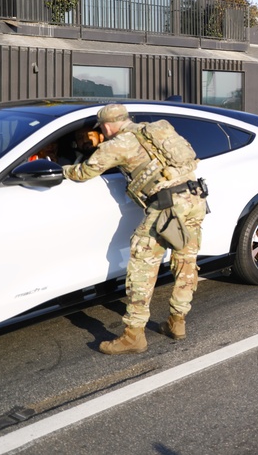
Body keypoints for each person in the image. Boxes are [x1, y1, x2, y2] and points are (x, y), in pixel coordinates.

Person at [63, 104, 207, 354]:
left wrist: (60, 169)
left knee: (142, 267)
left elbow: (84, 172)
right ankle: (177, 322)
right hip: (195, 198)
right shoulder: (155, 131)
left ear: (107, 126)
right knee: (185, 263)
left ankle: (134, 336)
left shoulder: (116, 145)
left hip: (167, 207)